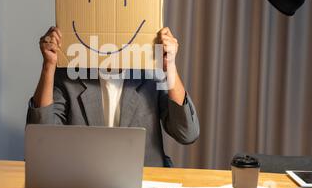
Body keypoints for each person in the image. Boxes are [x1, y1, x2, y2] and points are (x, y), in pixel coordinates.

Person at [27, 26, 200, 167]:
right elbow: (41, 140)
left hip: (146, 182)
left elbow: (186, 133)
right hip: (85, 183)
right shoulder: (68, 75)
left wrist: (170, 66)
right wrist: (49, 66)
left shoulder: (152, 74)